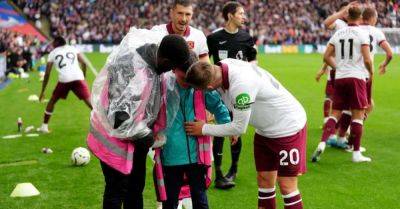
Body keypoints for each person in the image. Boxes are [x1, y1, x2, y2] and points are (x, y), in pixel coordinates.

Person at [87, 32, 192, 209]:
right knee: (116, 190)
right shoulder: (132, 69)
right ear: (166, 61)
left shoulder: (153, 64)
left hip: (134, 143)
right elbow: (119, 121)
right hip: (113, 143)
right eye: (172, 67)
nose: (171, 71)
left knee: (135, 189)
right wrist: (148, 137)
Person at [184, 58, 307, 209]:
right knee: (264, 181)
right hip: (264, 130)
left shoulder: (241, 85)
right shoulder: (222, 67)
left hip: (287, 127)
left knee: (287, 186)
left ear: (209, 86)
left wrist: (203, 129)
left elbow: (239, 128)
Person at [157, 53, 231, 209]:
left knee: (200, 200)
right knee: (170, 202)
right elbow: (150, 112)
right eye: (184, 79)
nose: (188, 83)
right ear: (174, 70)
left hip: (197, 156)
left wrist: (228, 127)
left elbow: (218, 107)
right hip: (171, 156)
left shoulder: (199, 85)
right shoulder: (164, 87)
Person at [311, 6, 373, 163]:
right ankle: (356, 154)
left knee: (335, 113)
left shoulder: (339, 33)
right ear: (359, 18)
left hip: (340, 77)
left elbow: (326, 56)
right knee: (358, 116)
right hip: (356, 77)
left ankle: (322, 143)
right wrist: (371, 71)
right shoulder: (362, 33)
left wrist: (339, 67)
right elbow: (367, 59)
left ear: (348, 16)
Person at [206, 1, 257, 189]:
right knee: (220, 130)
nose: (244, 17)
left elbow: (254, 61)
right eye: (241, 13)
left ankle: (233, 169)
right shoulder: (213, 38)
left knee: (236, 130)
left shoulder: (247, 37)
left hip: (238, 92)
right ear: (230, 15)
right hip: (219, 93)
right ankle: (218, 172)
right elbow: (207, 65)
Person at [341, 7, 393, 151]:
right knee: (365, 107)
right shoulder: (375, 31)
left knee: (349, 107)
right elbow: (389, 53)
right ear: (372, 18)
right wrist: (383, 65)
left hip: (346, 72)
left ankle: (341, 136)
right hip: (364, 74)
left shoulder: (351, 29)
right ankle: (351, 142)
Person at [37, 36, 91, 133]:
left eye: (53, 42)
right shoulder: (72, 48)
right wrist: (83, 76)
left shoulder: (53, 53)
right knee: (89, 102)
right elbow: (84, 63)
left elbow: (47, 73)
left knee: (52, 101)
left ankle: (44, 126)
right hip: (78, 78)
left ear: (57, 43)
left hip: (64, 79)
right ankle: (104, 125)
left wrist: (42, 91)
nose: (52, 44)